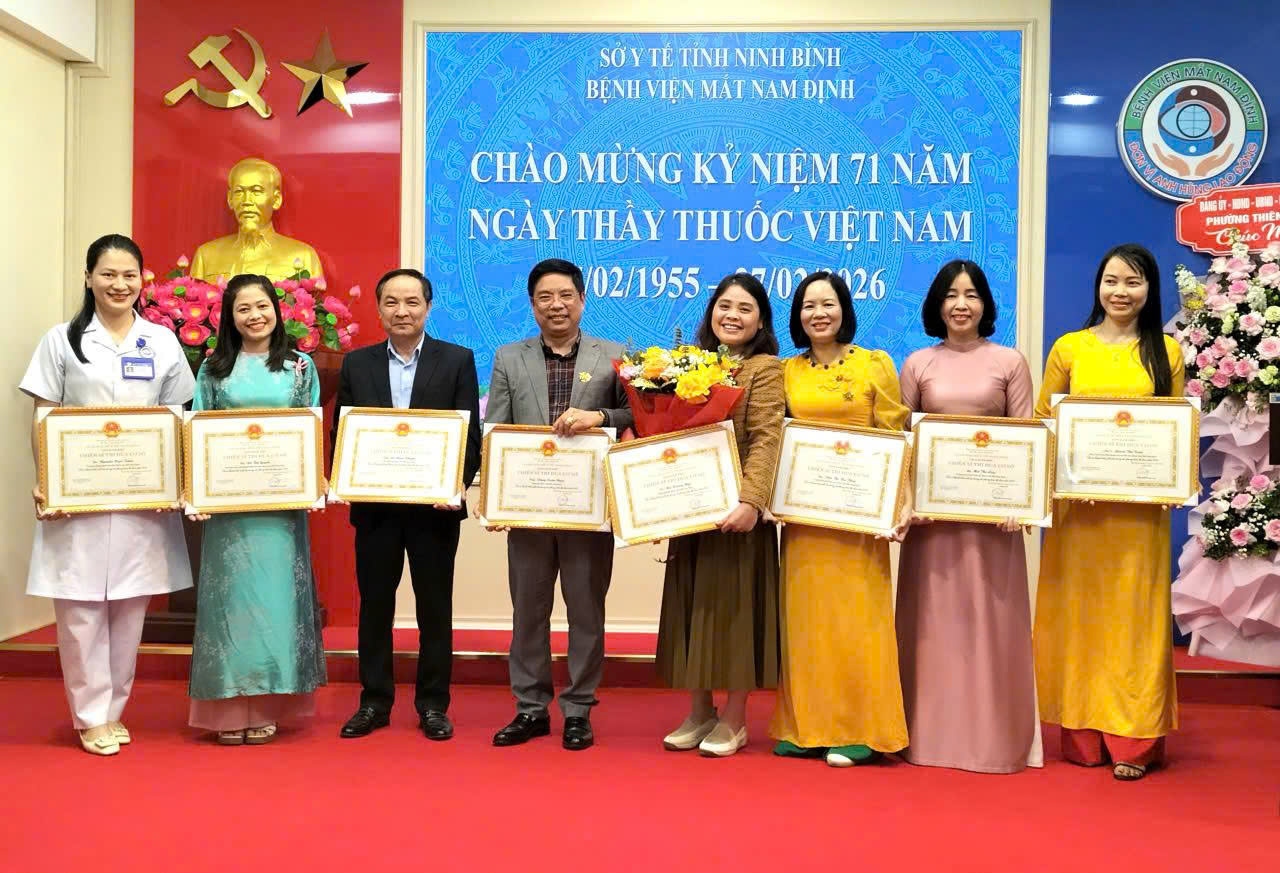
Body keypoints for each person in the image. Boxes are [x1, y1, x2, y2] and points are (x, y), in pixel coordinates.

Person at [21, 234, 195, 756]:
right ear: (88, 278)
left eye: (129, 275)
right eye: (108, 274)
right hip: (78, 497)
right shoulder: (61, 340)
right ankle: (90, 715)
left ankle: (114, 710)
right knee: (79, 610)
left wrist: (176, 482)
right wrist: (47, 479)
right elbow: (44, 415)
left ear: (143, 280)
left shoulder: (161, 340)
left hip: (143, 498)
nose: (119, 284)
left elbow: (177, 418)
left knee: (129, 608)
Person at [1035, 243, 1183, 780]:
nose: (1121, 292)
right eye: (1111, 281)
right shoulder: (1069, 348)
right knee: (1081, 617)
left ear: (1150, 290)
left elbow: (1176, 429)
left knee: (1134, 620)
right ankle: (1083, 735)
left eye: (1133, 282)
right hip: (1081, 514)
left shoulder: (1166, 352)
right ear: (1098, 286)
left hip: (1139, 518)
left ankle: (1133, 741)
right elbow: (1043, 423)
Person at [895, 260, 1039, 773]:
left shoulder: (1010, 362)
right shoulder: (917, 364)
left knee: (990, 627)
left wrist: (1019, 505)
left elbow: (1026, 437)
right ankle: (925, 736)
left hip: (992, 526)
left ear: (985, 304)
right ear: (937, 304)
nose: (961, 304)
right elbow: (902, 444)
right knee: (931, 629)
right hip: (931, 527)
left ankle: (995, 740)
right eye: (951, 295)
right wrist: (906, 502)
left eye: (972, 294)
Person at [485, 258, 632, 751]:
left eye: (566, 295)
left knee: (586, 610)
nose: (556, 305)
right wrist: (495, 500)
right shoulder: (509, 357)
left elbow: (636, 412)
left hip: (588, 508)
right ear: (532, 305)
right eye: (545, 297)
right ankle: (529, 708)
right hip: (527, 507)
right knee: (528, 611)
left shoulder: (614, 354)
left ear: (582, 300)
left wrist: (599, 416)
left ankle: (578, 709)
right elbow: (496, 430)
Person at [765, 271, 909, 767]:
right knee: (806, 624)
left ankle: (861, 728)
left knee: (857, 621)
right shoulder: (787, 371)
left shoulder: (875, 364)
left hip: (859, 519)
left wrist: (898, 503)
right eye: (808, 306)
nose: (818, 313)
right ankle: (807, 728)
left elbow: (894, 435)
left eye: (827, 304)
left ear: (844, 308)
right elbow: (774, 437)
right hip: (805, 520)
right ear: (797, 315)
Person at [335, 269, 481, 741]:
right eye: (392, 303)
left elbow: (470, 435)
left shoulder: (456, 360)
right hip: (376, 510)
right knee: (374, 607)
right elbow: (343, 433)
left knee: (434, 610)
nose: (402, 311)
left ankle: (433, 705)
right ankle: (374, 702)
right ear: (378, 309)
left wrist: (455, 484)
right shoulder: (357, 364)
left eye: (412, 302)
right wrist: (349, 475)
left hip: (435, 511)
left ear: (428, 307)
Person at [187, 273, 327, 745]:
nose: (255, 316)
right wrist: (197, 492)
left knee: (273, 602)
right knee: (232, 604)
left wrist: (314, 482)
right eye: (243, 308)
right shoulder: (213, 369)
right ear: (229, 316)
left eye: (262, 305)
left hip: (280, 509)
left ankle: (267, 705)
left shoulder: (300, 367)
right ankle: (228, 708)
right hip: (228, 511)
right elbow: (198, 431)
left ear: (277, 310)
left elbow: (311, 428)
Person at [658, 272, 784, 758]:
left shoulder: (766, 369)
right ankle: (698, 711)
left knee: (734, 613)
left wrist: (751, 502)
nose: (732, 315)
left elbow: (767, 437)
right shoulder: (690, 363)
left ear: (760, 321)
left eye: (745, 308)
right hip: (692, 507)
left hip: (737, 513)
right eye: (724, 305)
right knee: (691, 606)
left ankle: (734, 719)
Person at [190, 156, 323, 282]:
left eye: (256, 191)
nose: (246, 201)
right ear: (230, 199)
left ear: (276, 199)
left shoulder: (303, 257)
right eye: (239, 192)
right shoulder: (206, 256)